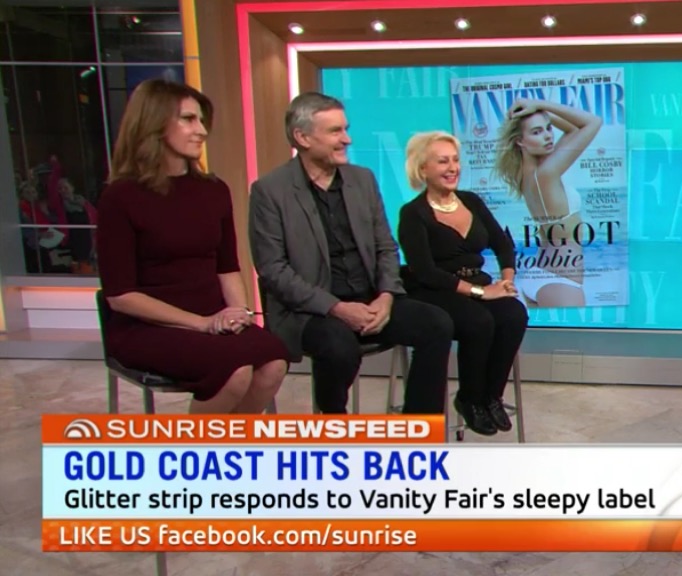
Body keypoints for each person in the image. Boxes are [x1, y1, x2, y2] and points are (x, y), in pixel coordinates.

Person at [249, 92, 454, 415]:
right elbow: (273, 270)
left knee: (437, 324)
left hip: (370, 300)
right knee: (339, 346)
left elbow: (386, 246)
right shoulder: (270, 191)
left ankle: (418, 426)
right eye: (335, 131)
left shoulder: (363, 180)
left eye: (345, 129)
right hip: (310, 311)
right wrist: (337, 308)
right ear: (302, 137)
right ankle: (336, 427)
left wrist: (386, 296)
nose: (347, 139)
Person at [96, 79, 289, 414]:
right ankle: (196, 445)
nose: (201, 130)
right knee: (234, 371)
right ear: (154, 124)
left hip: (212, 316)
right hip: (146, 326)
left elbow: (227, 268)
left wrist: (239, 313)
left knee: (273, 361)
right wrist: (200, 323)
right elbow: (120, 296)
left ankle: (232, 444)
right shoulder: (120, 197)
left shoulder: (214, 190)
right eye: (188, 119)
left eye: (201, 120)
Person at [398, 131, 529, 436]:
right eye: (443, 161)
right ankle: (469, 398)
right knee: (478, 320)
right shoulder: (413, 214)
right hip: (435, 291)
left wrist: (506, 282)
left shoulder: (471, 201)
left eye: (455, 160)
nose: (453, 168)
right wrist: (482, 293)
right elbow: (426, 272)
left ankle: (490, 396)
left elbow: (503, 244)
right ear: (423, 169)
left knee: (514, 314)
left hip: (478, 284)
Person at [493, 98, 601, 307]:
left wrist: (537, 113)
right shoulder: (546, 174)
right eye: (536, 132)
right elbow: (592, 122)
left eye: (549, 128)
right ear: (520, 141)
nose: (548, 136)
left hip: (540, 273)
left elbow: (572, 131)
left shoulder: (525, 175)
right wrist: (541, 105)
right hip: (561, 281)